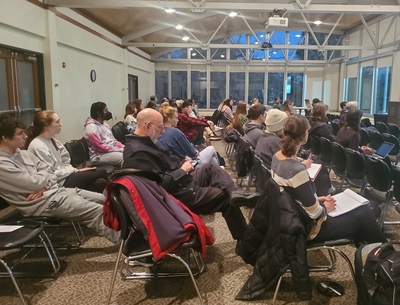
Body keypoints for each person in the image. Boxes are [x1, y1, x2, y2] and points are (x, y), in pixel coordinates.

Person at [122, 108, 260, 242]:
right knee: (225, 199)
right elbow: (160, 185)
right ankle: (247, 242)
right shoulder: (139, 154)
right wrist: (182, 171)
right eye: (160, 128)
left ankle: (235, 193)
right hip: (178, 195)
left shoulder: (144, 144)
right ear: (148, 126)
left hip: (181, 182)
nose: (163, 131)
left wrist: (182, 169)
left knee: (210, 168)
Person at [0, 115, 120, 244]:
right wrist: (42, 178)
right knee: (97, 211)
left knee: (106, 200)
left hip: (55, 191)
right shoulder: (3, 164)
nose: (25, 136)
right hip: (42, 203)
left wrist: (44, 185)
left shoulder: (23, 153)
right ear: (5, 138)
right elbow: (34, 184)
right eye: (20, 133)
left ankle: (133, 232)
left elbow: (49, 173)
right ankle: (128, 246)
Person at [270, 114, 386, 246]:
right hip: (308, 227)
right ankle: (385, 252)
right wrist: (325, 207)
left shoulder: (276, 157)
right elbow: (315, 214)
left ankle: (375, 252)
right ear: (304, 135)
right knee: (364, 212)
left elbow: (291, 194)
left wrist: (317, 200)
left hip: (291, 217)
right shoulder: (298, 170)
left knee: (364, 211)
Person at [26, 111, 108, 193]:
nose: (60, 124)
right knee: (102, 171)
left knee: (100, 182)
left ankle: (109, 203)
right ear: (46, 126)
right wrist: (74, 171)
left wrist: (72, 170)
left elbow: (65, 160)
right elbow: (51, 174)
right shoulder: (38, 145)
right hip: (58, 182)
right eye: (57, 122)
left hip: (66, 175)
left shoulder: (52, 139)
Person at [256, 110, 334, 196]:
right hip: (286, 188)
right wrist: (303, 165)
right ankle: (327, 193)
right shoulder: (276, 143)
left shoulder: (265, 139)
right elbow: (287, 168)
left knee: (320, 169)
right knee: (321, 174)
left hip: (276, 187)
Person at [157, 102, 220, 167]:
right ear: (169, 119)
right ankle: (219, 172)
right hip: (186, 166)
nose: (178, 120)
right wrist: (193, 150)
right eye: (176, 118)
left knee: (212, 160)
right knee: (211, 149)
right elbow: (193, 153)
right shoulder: (175, 133)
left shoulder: (158, 134)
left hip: (173, 166)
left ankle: (217, 172)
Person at [83, 101, 124, 166]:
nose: (108, 112)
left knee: (129, 153)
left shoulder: (105, 125)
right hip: (99, 156)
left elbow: (113, 141)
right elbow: (100, 147)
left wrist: (123, 147)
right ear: (98, 113)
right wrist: (119, 150)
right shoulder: (91, 128)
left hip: (109, 151)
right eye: (105, 111)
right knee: (125, 158)